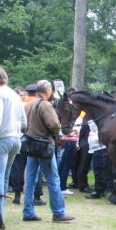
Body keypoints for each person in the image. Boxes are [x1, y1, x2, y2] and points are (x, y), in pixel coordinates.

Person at [22, 80, 75, 222]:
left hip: (30, 145)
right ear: (47, 91)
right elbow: (54, 125)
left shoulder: (29, 104)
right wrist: (57, 127)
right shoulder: (45, 105)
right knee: (53, 178)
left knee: (30, 179)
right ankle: (58, 212)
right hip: (44, 146)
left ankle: (28, 211)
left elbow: (23, 124)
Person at [0, 67, 27, 226]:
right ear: (6, 80)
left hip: (2, 139)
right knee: (3, 178)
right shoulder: (15, 96)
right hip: (16, 139)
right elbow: (24, 121)